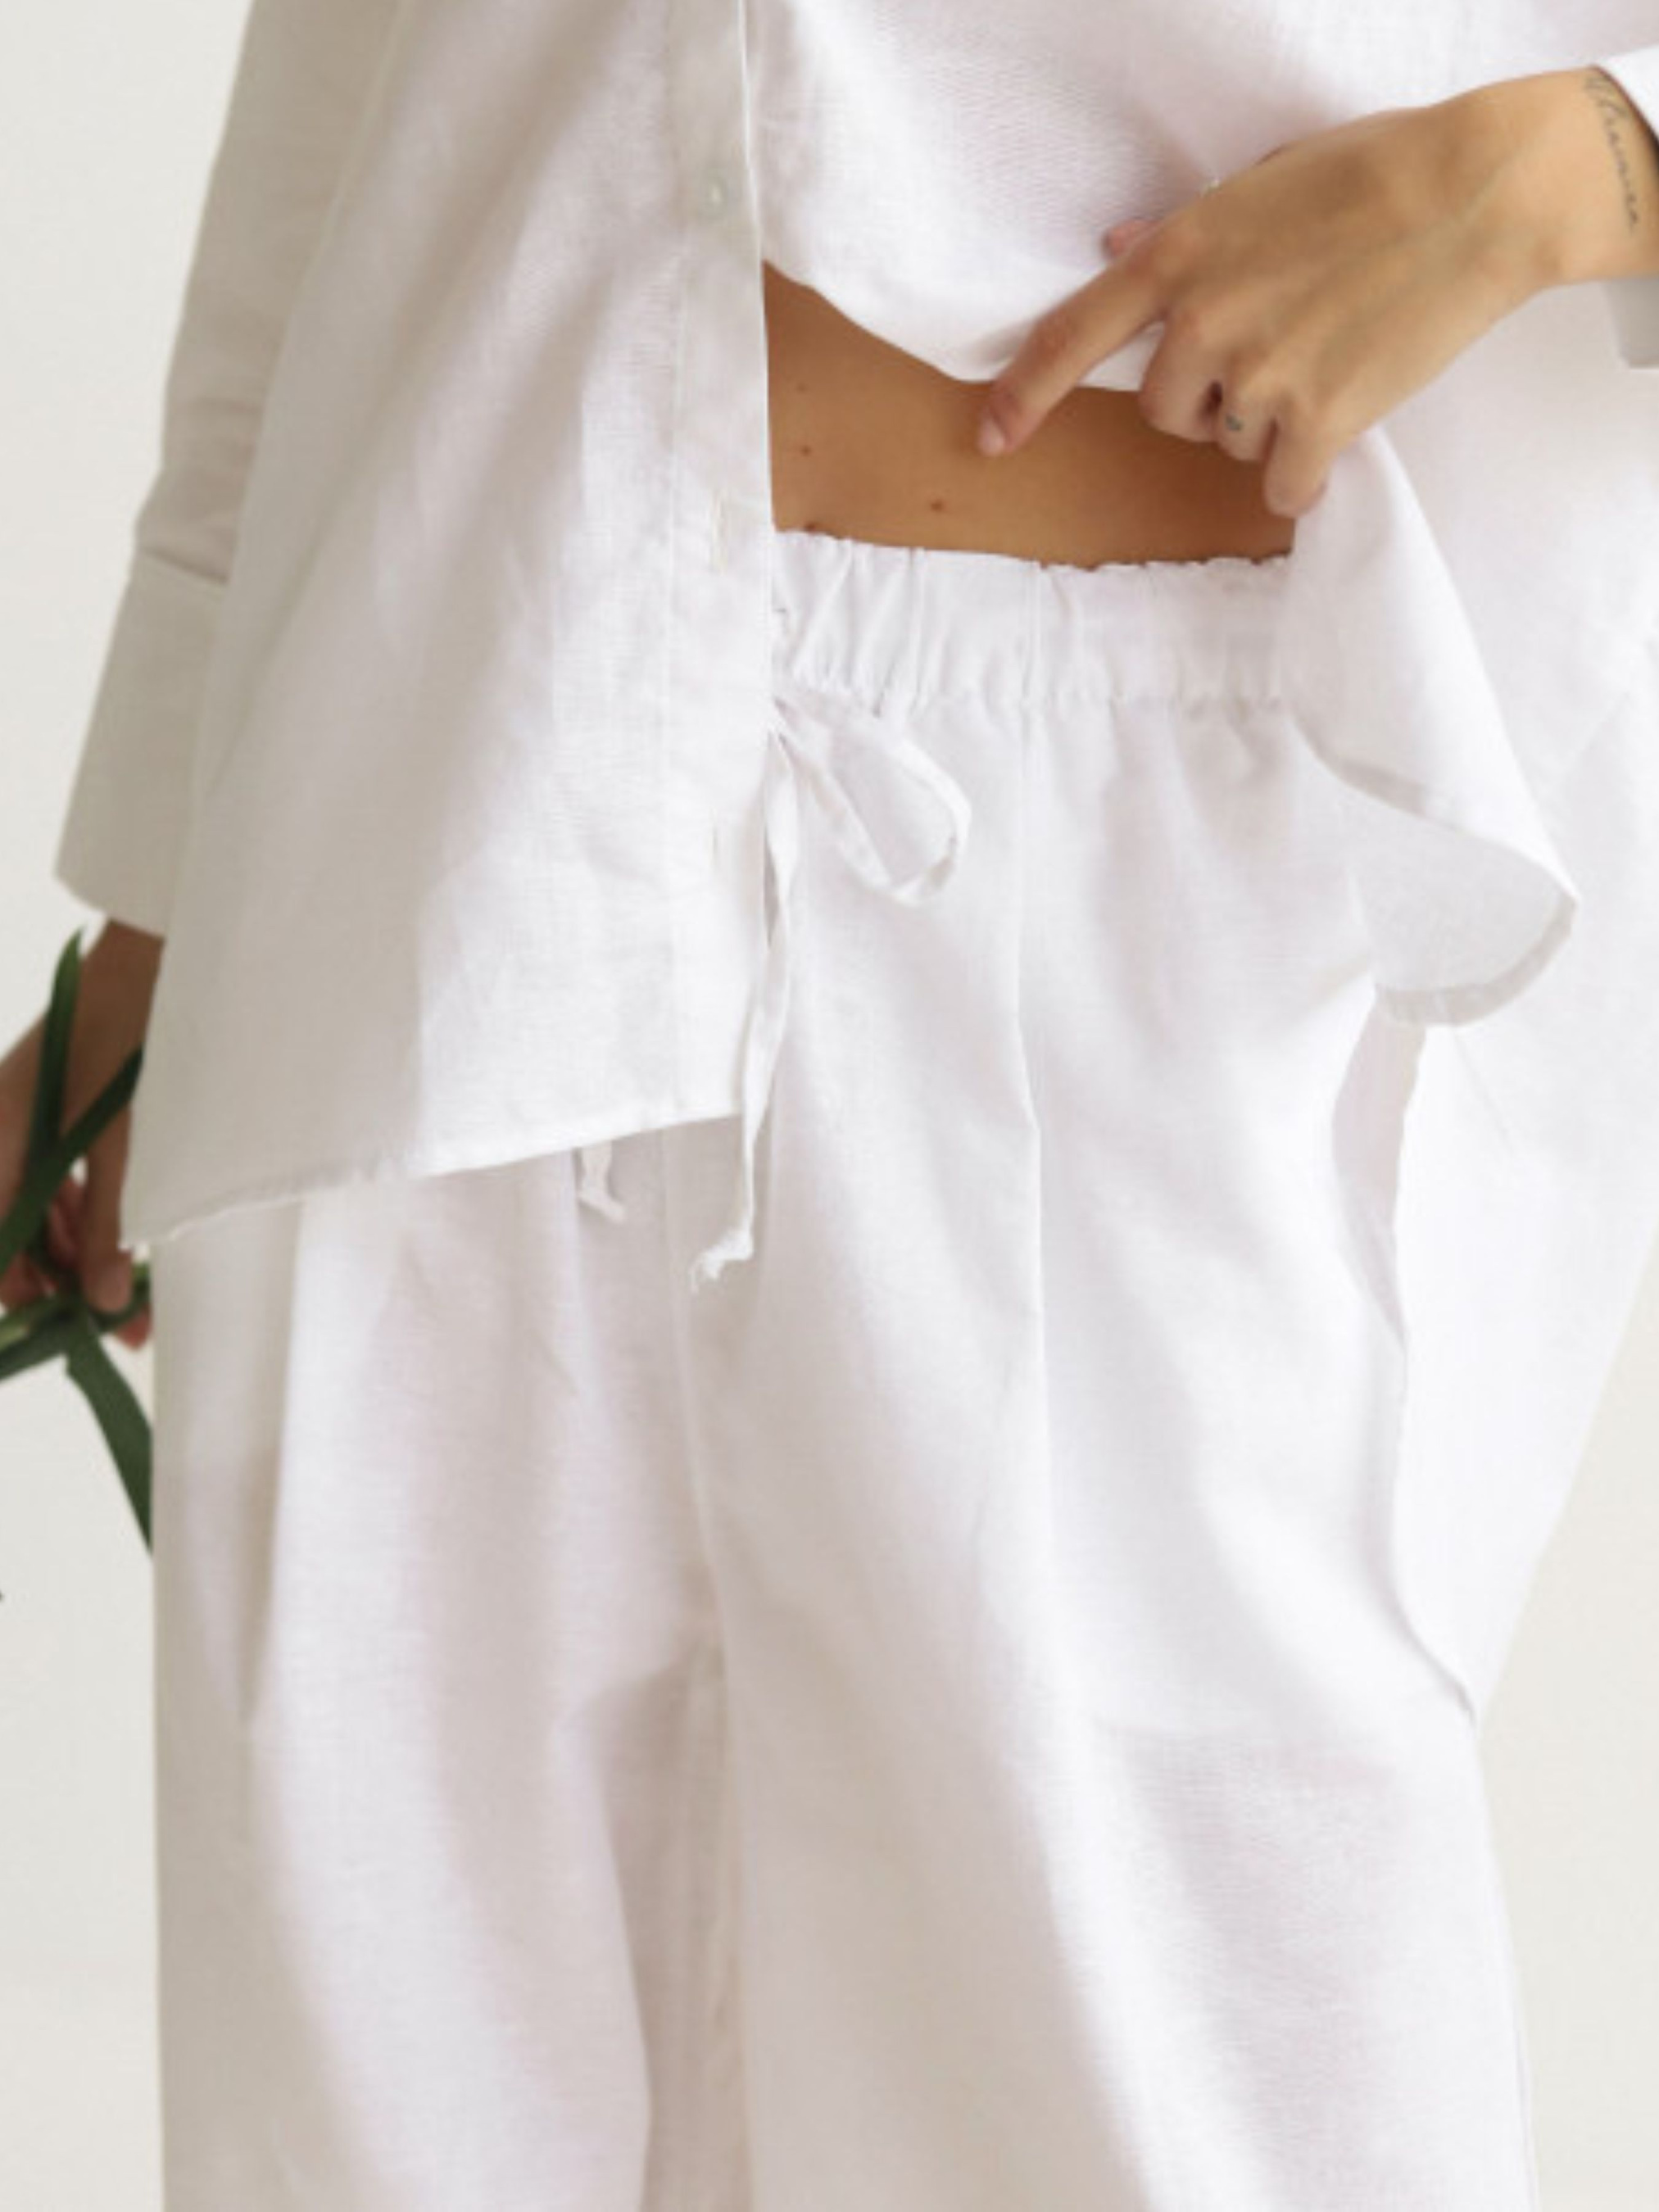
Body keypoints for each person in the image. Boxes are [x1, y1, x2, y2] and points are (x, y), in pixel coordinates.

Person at [5, 3, 1659, 2203]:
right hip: (444, 807)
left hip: (1154, 868)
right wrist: (168, 908)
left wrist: (1576, 166)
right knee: (376, 2119)